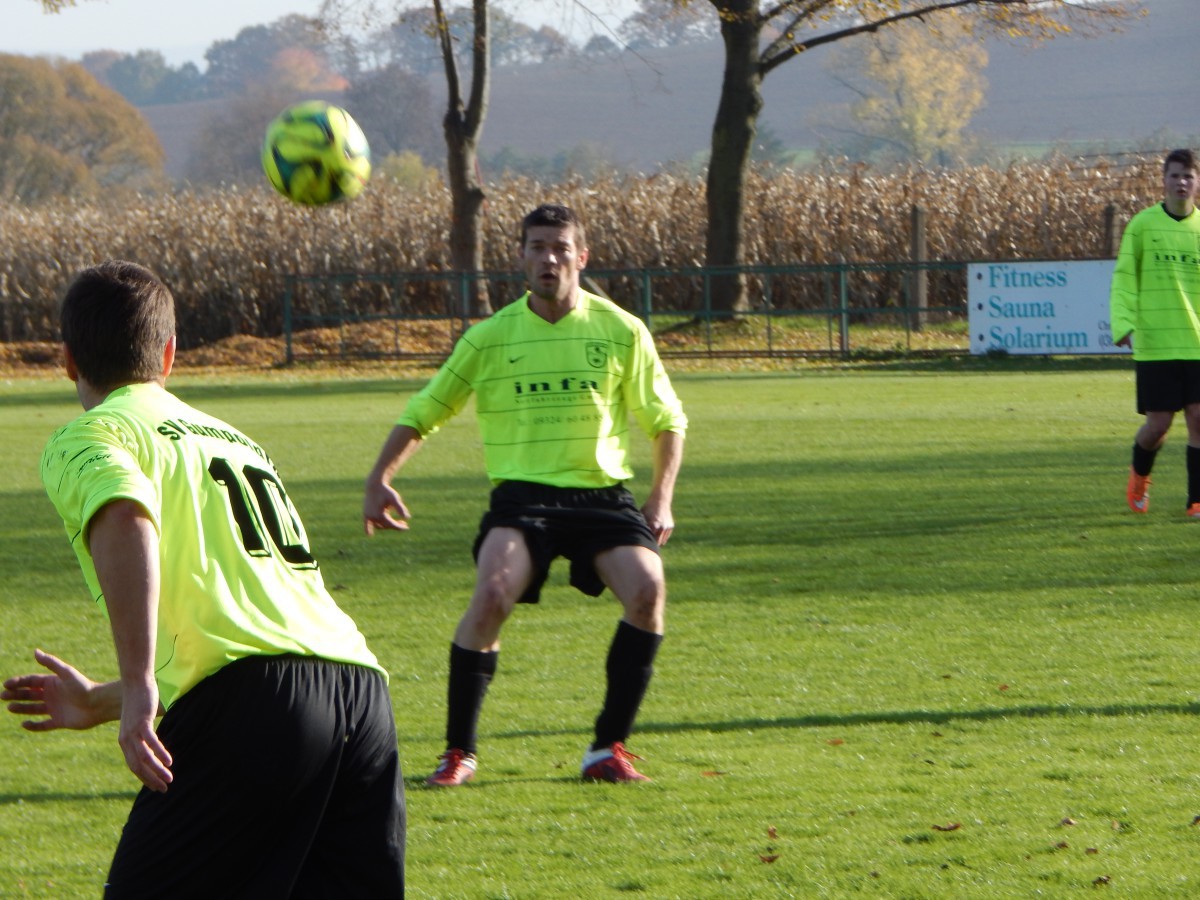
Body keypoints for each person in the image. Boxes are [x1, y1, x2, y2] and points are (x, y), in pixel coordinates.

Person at [2, 261, 405, 897]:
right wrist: (103, 700)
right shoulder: (237, 440)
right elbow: (250, 629)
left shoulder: (91, 433)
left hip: (254, 712)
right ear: (168, 355)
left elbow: (124, 514)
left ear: (67, 360)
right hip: (361, 697)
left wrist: (136, 685)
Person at [363, 204, 687, 786]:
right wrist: (379, 477)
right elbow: (426, 410)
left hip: (601, 497)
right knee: (490, 594)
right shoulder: (490, 338)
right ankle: (458, 752)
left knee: (648, 590)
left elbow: (666, 421)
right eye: (537, 247)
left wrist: (660, 497)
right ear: (521, 257)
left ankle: (606, 749)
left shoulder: (620, 330)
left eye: (561, 247)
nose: (549, 258)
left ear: (581, 256)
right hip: (522, 500)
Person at [1111, 148, 1200, 515]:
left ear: (1197, 182)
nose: (1182, 182)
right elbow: (1125, 277)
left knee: (1199, 419)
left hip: (1196, 342)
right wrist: (1123, 322)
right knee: (1157, 427)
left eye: (1188, 176)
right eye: (1175, 175)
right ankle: (1139, 474)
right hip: (1157, 342)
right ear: (1163, 180)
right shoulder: (1143, 225)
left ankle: (1196, 501)